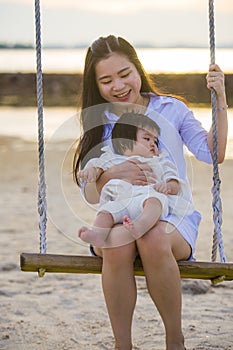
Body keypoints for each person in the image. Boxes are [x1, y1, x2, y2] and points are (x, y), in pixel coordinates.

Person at [73, 35, 228, 350]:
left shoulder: (172, 109)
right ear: (96, 84)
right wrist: (110, 174)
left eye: (125, 73)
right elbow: (90, 194)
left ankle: (175, 340)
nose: (118, 85)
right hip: (120, 215)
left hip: (173, 219)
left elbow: (214, 154)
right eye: (106, 80)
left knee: (152, 235)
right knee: (117, 240)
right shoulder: (99, 123)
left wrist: (221, 100)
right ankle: (123, 344)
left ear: (138, 69)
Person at [77, 112, 194, 248]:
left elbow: (174, 180)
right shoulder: (112, 159)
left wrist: (169, 186)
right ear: (124, 143)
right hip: (120, 201)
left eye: (155, 140)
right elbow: (97, 168)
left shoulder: (159, 160)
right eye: (147, 139)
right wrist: (90, 172)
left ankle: (140, 226)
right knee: (105, 213)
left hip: (147, 198)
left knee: (155, 202)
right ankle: (97, 235)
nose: (153, 144)